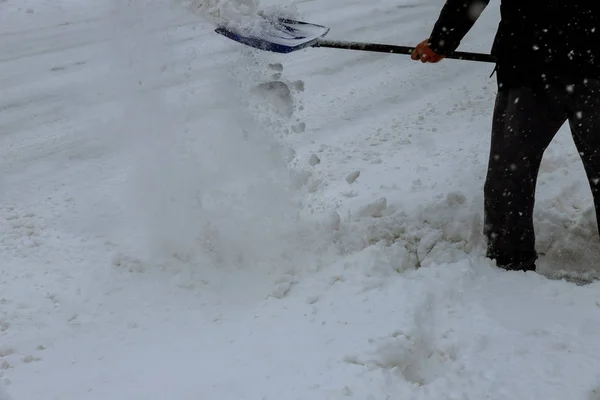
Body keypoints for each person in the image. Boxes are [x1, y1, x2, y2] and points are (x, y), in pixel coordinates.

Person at [410, 1, 600, 272]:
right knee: (510, 174)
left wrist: (441, 41)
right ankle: (509, 265)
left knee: (511, 172)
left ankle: (509, 262)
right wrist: (442, 40)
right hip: (545, 68)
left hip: (530, 68)